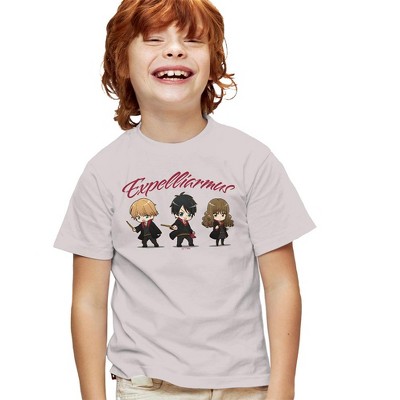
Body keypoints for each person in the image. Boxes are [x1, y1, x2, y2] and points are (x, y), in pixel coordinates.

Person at [53, 0, 316, 399]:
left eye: (192, 40)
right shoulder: (103, 172)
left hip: (243, 385)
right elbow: (88, 300)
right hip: (147, 387)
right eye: (154, 39)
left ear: (213, 63)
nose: (175, 50)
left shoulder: (252, 160)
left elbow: (281, 285)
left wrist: (282, 390)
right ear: (122, 61)